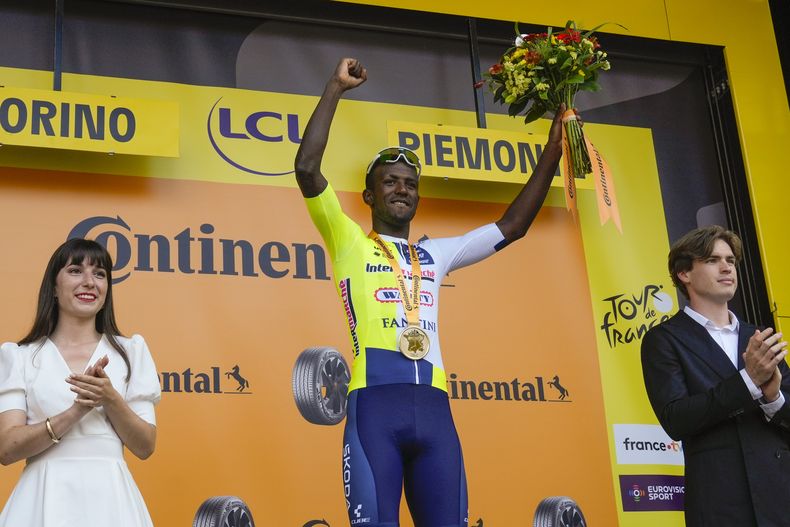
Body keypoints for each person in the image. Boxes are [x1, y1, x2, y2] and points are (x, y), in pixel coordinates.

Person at [294, 58, 564, 527]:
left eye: (411, 184)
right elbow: (306, 167)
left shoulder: (436, 254)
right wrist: (335, 88)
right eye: (390, 182)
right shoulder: (349, 239)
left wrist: (553, 153)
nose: (403, 189)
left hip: (435, 411)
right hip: (375, 407)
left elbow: (512, 226)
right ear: (370, 197)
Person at [0, 238, 161, 527]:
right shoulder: (20, 356)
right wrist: (75, 412)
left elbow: (145, 445)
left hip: (112, 502)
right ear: (53, 287)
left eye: (99, 274)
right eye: (75, 270)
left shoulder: (130, 352)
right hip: (41, 499)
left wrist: (110, 398)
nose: (89, 282)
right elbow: (7, 448)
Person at [641, 226, 790, 526]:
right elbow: (676, 418)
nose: (726, 268)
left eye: (731, 260)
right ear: (684, 273)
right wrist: (748, 381)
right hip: (719, 505)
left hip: (780, 499)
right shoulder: (664, 339)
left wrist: (773, 396)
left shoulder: (759, 336)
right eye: (712, 260)